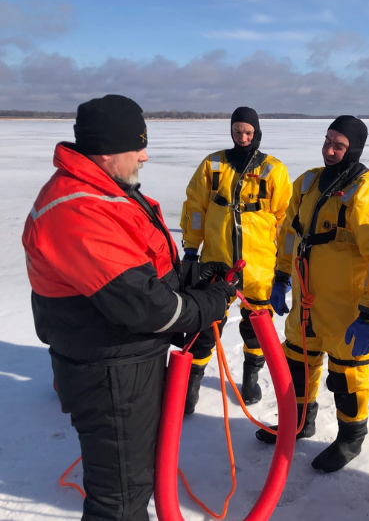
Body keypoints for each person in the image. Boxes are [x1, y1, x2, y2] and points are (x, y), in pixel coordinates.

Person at [24, 95, 239, 521]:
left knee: (135, 476)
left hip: (128, 362)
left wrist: (189, 279)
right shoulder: (77, 210)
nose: (145, 154)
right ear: (106, 152)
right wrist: (206, 304)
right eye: (137, 145)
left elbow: (140, 270)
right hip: (109, 374)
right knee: (119, 501)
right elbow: (144, 306)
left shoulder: (104, 191)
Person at [257, 115, 369, 473]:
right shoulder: (307, 182)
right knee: (297, 362)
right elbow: (291, 232)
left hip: (346, 308)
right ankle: (299, 422)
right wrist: (280, 275)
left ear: (354, 148)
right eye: (327, 141)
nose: (330, 150)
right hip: (307, 301)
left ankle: (350, 439)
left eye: (339, 145)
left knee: (346, 375)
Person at [178, 106, 292, 415]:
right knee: (206, 323)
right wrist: (191, 247)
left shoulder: (274, 169)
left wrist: (285, 266)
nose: (242, 137)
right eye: (237, 131)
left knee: (255, 325)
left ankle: (250, 375)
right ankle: (192, 382)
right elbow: (196, 207)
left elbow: (286, 220)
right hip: (217, 262)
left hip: (260, 264)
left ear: (257, 132)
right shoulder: (213, 165)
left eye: (248, 132)